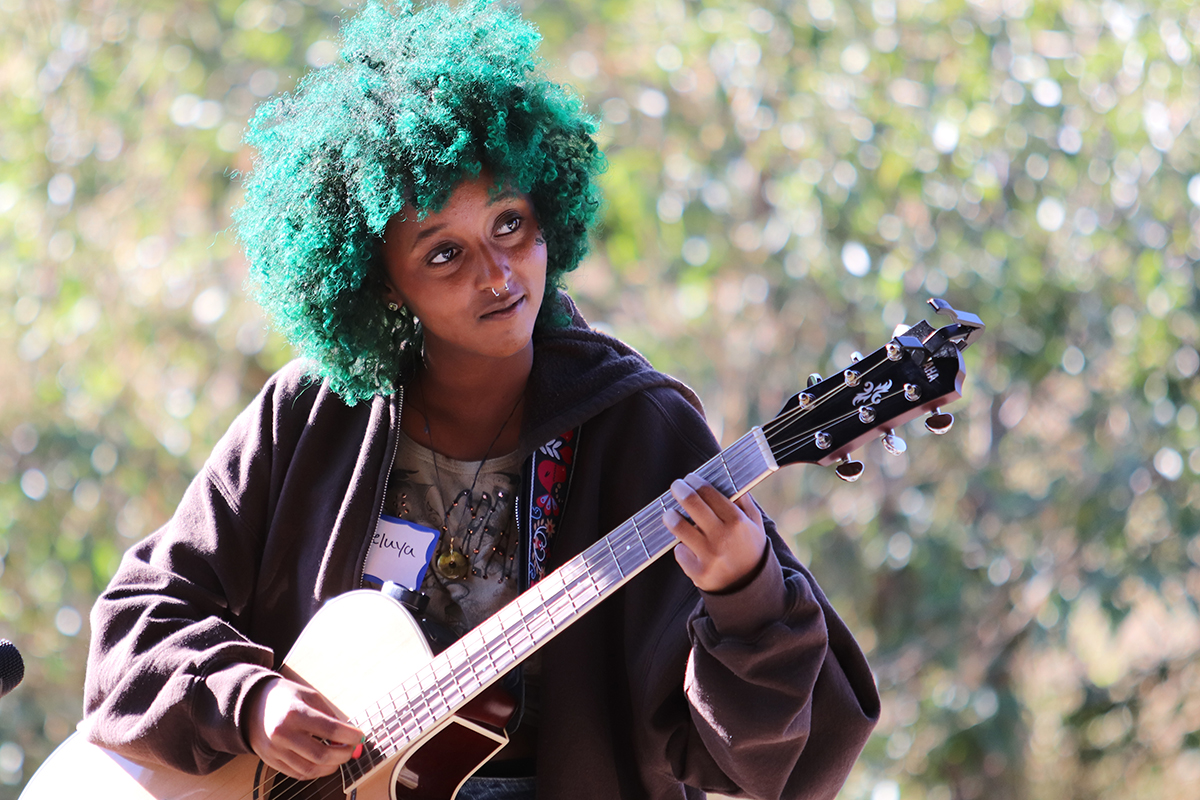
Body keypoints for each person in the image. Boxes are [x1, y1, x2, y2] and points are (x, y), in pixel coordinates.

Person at [82, 2, 880, 798]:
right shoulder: (312, 415)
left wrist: (746, 593)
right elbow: (135, 624)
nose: (497, 275)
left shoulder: (639, 427)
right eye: (444, 253)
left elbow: (771, 767)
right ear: (380, 284)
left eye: (510, 223)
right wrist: (249, 702)